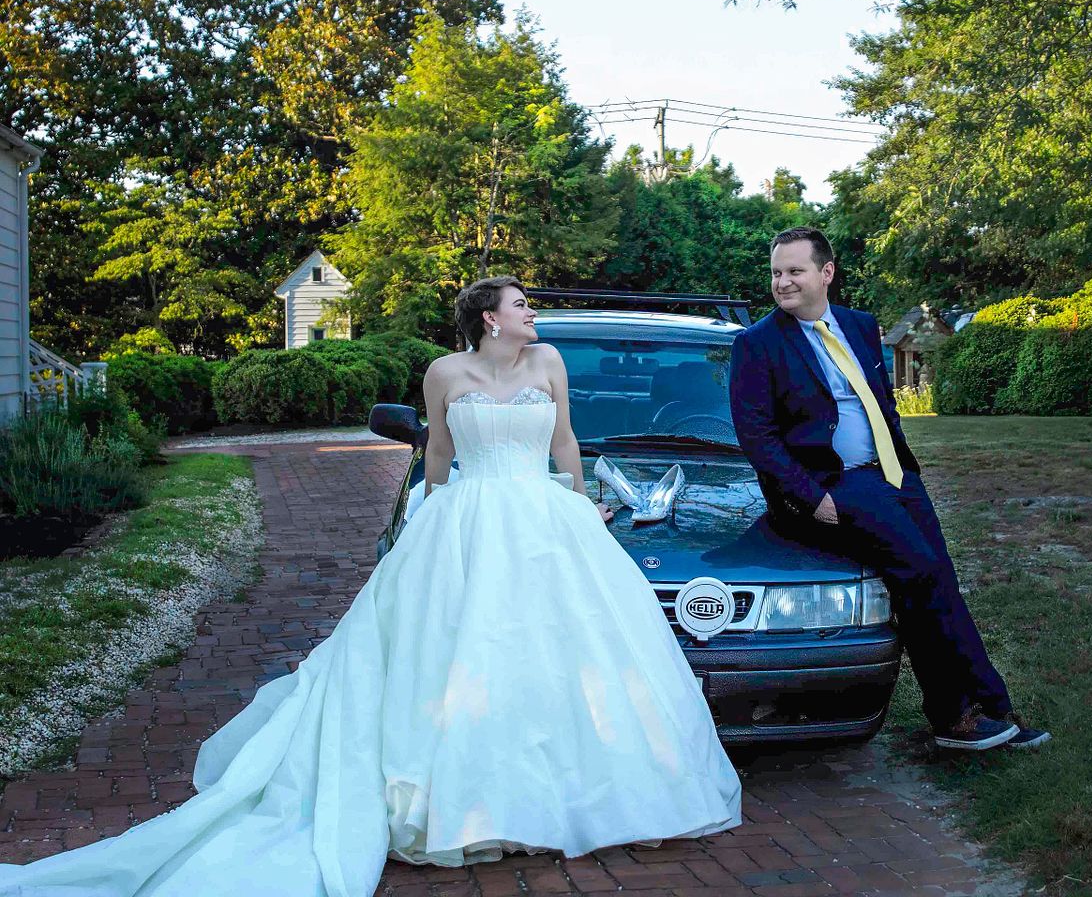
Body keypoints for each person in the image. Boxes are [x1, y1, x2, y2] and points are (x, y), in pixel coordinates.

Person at [0, 275, 742, 896]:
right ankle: (463, 802)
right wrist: (431, 516)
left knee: (557, 649)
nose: (530, 313)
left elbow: (565, 442)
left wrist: (581, 503)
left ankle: (569, 793)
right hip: (470, 518)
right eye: (520, 304)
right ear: (489, 318)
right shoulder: (446, 374)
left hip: (551, 520)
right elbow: (441, 452)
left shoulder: (549, 361)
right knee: (460, 649)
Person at [728, 226, 1050, 752]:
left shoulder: (859, 325)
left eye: (794, 271)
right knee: (920, 575)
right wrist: (814, 499)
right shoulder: (757, 345)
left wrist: (900, 464)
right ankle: (953, 719)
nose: (782, 282)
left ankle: (994, 708)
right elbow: (758, 438)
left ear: (825, 273)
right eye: (776, 272)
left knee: (940, 578)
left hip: (894, 477)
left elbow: (879, 401)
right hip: (836, 488)